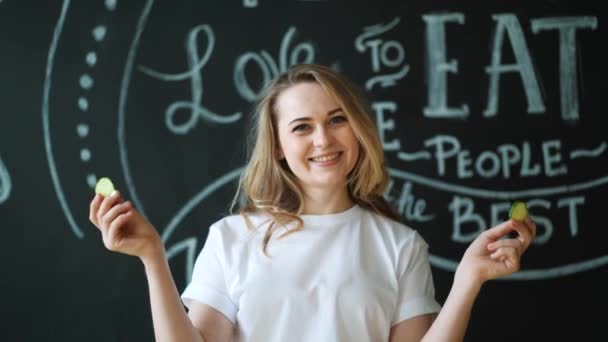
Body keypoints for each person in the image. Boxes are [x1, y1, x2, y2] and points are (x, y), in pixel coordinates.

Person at [89, 63, 536, 342]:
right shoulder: (231, 238)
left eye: (337, 119)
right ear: (279, 145)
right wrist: (152, 257)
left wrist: (469, 281)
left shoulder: (400, 245)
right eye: (302, 126)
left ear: (357, 129)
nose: (324, 139)